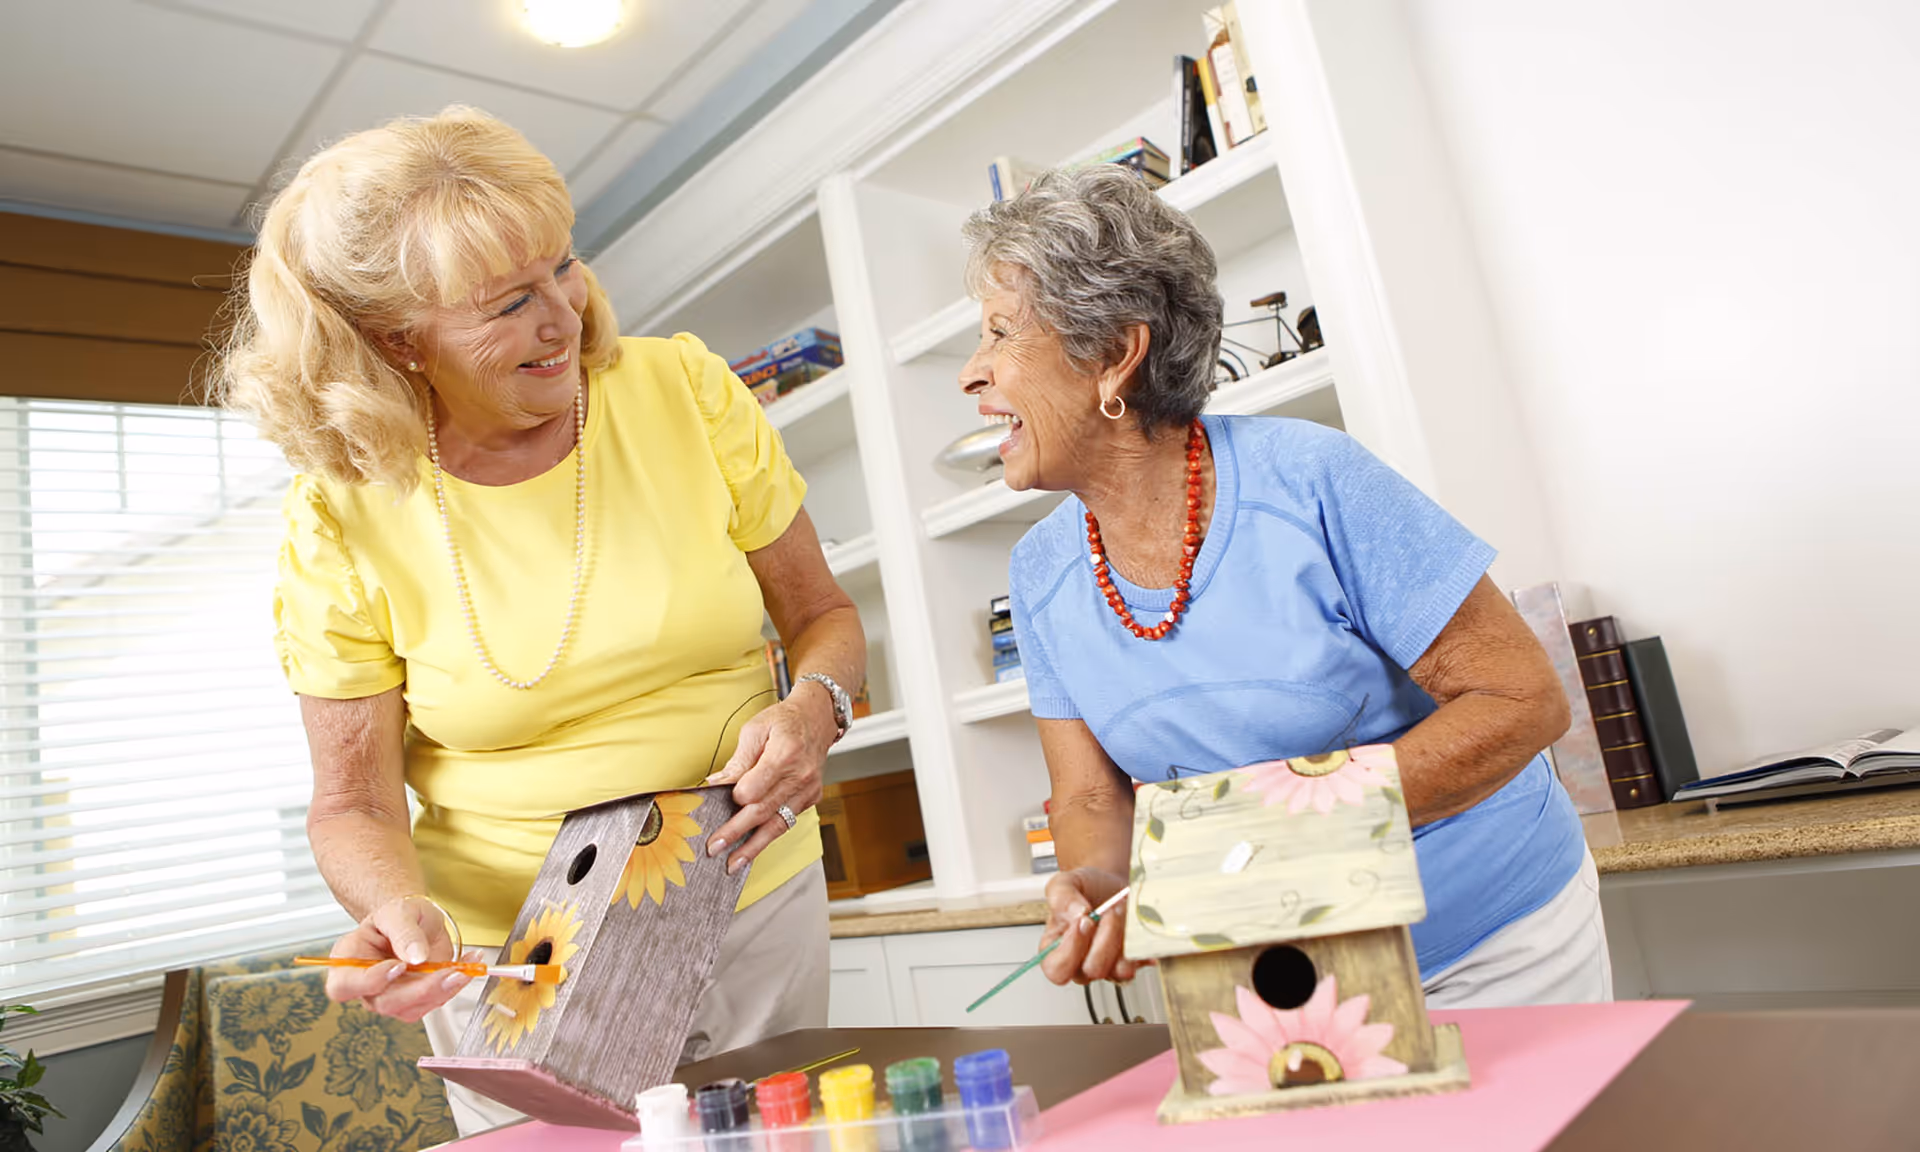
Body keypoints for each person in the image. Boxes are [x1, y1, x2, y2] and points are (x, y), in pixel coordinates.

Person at [221, 106, 864, 1133]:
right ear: (400, 338)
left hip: (745, 888)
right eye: (508, 302)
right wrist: (396, 910)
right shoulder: (341, 509)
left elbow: (825, 618)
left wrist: (814, 710)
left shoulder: (682, 389)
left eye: (563, 268)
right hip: (517, 942)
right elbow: (353, 804)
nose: (561, 316)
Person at [958, 165, 1610, 1008]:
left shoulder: (1312, 480)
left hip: (1489, 950)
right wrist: (1094, 881)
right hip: (1271, 979)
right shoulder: (1039, 571)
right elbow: (1089, 793)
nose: (972, 374)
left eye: (1001, 334)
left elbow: (1523, 702)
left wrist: (1274, 822)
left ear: (1115, 354)